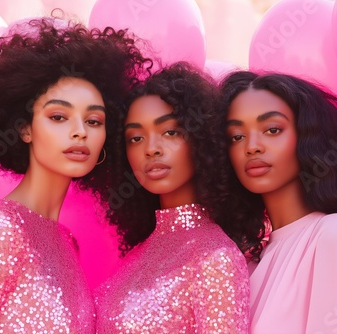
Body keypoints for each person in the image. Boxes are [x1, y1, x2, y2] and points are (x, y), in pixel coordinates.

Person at [0, 17, 151, 333]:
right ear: (24, 128)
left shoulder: (66, 243)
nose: (79, 133)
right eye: (59, 116)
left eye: (93, 121)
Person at [219, 71, 337, 334]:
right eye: (236, 136)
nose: (252, 146)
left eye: (272, 129)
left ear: (308, 137)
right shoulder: (243, 265)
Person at [94, 62, 250, 333]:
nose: (151, 149)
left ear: (201, 139)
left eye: (170, 132)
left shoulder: (215, 258)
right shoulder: (139, 252)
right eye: (135, 138)